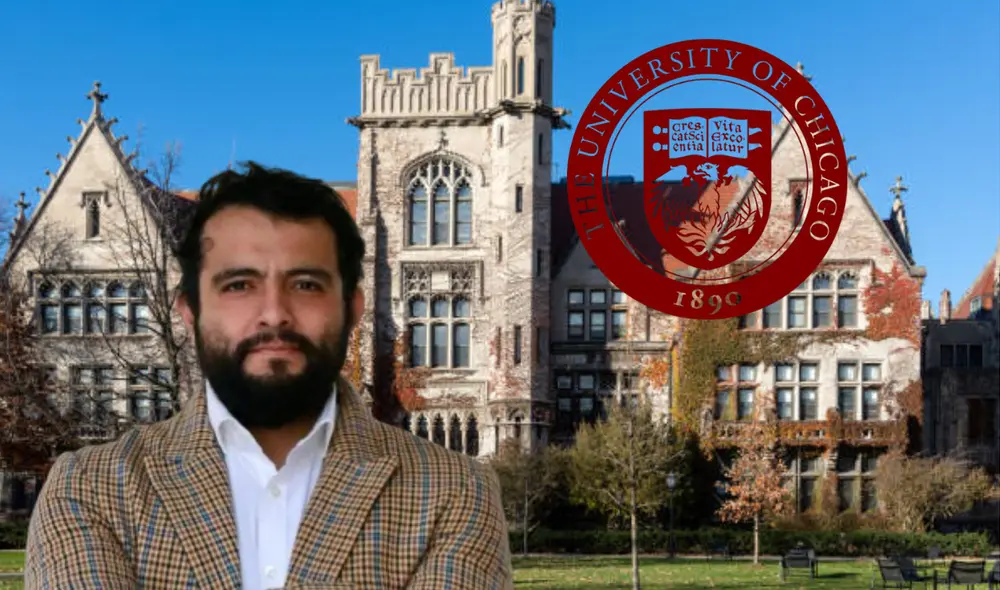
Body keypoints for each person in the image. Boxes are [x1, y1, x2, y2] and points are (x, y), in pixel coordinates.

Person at [24, 162, 513, 589]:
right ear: (189, 309)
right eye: (239, 285)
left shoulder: (455, 492)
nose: (274, 314)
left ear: (352, 307)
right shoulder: (89, 489)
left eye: (305, 284)